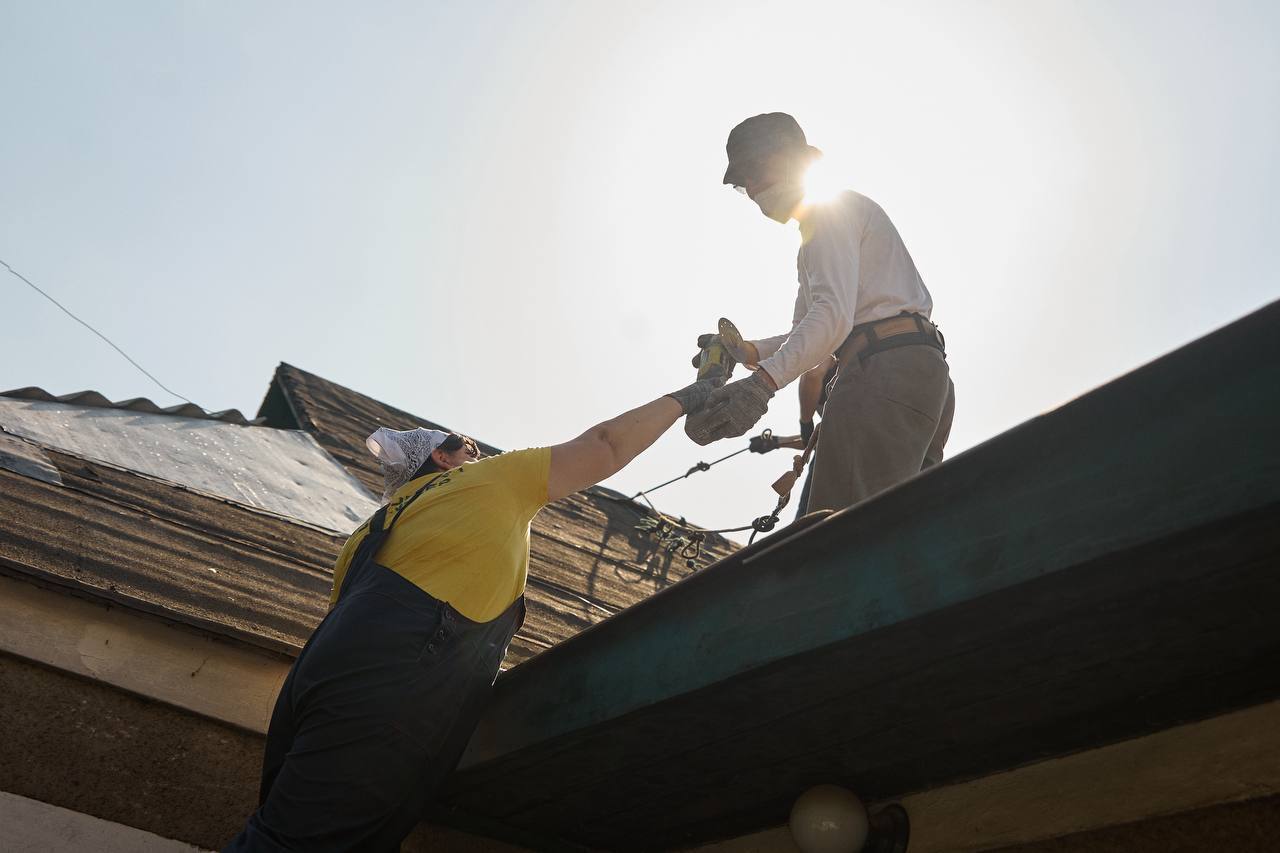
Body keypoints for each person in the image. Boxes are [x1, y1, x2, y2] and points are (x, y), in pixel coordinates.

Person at [225, 376, 721, 852]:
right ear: (442, 459)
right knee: (294, 843)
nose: (479, 457)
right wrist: (688, 397)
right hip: (387, 683)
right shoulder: (482, 480)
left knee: (309, 832)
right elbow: (605, 445)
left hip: (318, 682)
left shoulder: (371, 533)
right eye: (468, 449)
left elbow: (341, 631)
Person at [692, 112, 956, 512]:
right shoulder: (821, 233)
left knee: (839, 529)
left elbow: (832, 318)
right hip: (919, 373)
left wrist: (761, 385)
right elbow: (810, 330)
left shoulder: (828, 212)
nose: (754, 188)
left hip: (884, 371)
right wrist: (746, 351)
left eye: (756, 172)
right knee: (899, 525)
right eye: (744, 183)